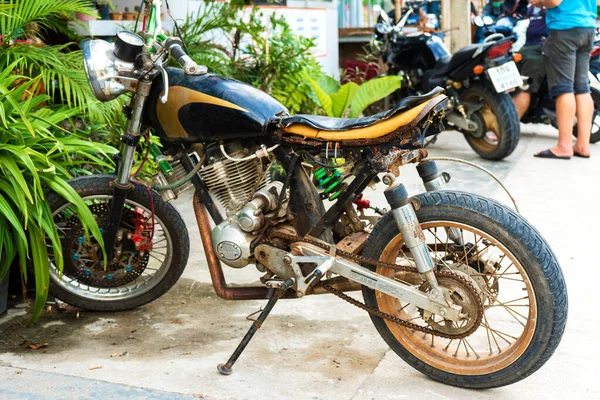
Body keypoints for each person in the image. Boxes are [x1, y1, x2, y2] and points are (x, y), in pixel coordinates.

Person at [532, 0, 597, 159]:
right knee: (582, 88)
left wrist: (539, 2)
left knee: (564, 88)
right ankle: (583, 144)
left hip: (564, 28)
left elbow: (553, 1)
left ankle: (564, 146)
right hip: (587, 27)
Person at [513, 5, 547, 119]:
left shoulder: (548, 4)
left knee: (526, 87)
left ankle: (512, 126)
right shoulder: (531, 8)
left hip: (540, 50)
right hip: (526, 48)